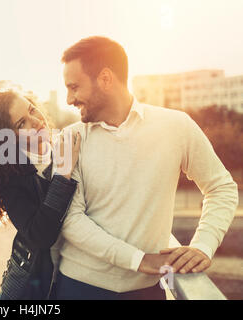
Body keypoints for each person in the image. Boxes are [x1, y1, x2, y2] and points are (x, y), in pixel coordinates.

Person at [54, 36, 239, 300]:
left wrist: (203, 245)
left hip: (146, 292)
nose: (69, 99)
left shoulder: (176, 126)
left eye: (74, 87)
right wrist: (140, 260)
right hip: (78, 287)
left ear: (105, 79)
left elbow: (221, 187)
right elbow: (70, 220)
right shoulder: (67, 139)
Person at [0, 90, 81, 300]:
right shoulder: (11, 177)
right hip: (33, 289)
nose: (36, 120)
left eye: (32, 109)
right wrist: (63, 174)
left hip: (73, 278)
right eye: (21, 124)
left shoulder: (62, 147)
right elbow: (41, 236)